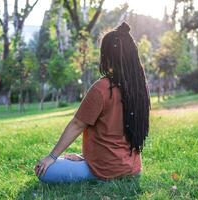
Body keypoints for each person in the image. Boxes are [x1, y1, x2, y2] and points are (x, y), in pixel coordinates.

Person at [35, 22, 150, 183]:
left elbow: (77, 124)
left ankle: (89, 166)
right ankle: (87, 161)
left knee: (43, 170)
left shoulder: (102, 88)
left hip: (104, 168)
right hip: (132, 168)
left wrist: (52, 156)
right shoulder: (140, 88)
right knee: (67, 161)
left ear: (107, 56)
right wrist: (84, 157)